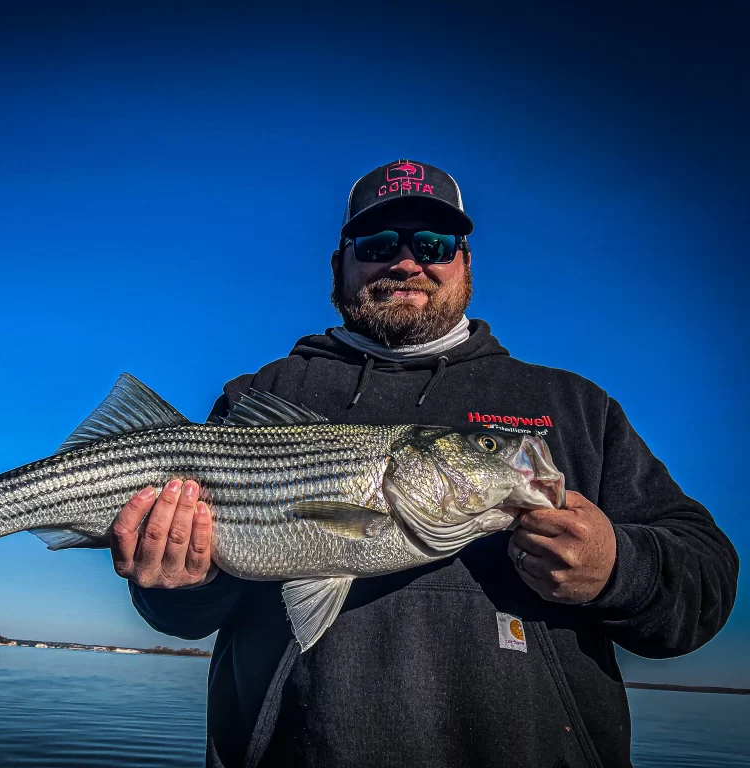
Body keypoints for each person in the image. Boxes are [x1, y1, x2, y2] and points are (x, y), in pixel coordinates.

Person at [108, 159, 739, 768]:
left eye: (435, 243)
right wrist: (178, 584)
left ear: (465, 263)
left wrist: (617, 569)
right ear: (340, 265)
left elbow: (704, 584)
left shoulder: (570, 404)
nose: (406, 262)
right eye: (378, 242)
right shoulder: (261, 393)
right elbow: (189, 612)